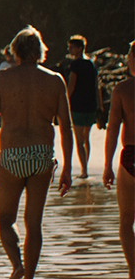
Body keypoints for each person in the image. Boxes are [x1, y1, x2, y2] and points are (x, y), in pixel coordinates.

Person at [0, 27, 74, 279]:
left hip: (11, 155)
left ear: (15, 51)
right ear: (40, 51)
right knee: (34, 223)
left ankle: (17, 266)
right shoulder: (55, 81)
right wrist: (67, 166)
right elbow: (65, 127)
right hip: (42, 155)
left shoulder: (3, 78)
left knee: (6, 220)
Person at [100, 40, 134, 279]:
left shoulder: (123, 89)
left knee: (125, 222)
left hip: (131, 157)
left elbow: (112, 129)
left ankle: (134, 273)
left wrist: (108, 165)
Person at [57, 35, 101, 180]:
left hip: (78, 105)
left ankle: (84, 170)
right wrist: (99, 105)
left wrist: (65, 100)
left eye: (72, 47)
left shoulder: (76, 64)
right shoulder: (91, 63)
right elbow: (97, 85)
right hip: (90, 104)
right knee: (86, 138)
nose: (70, 50)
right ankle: (85, 166)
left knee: (79, 139)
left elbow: (72, 85)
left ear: (80, 48)